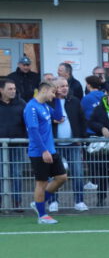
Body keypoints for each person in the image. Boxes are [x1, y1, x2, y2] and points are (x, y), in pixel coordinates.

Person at [23, 81, 66, 223]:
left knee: (62, 177)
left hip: (51, 150)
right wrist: (44, 151)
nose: (53, 95)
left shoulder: (45, 106)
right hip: (39, 152)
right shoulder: (31, 107)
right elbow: (33, 131)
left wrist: (58, 99)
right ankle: (42, 215)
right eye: (53, 92)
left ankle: (38, 203)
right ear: (44, 90)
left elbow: (59, 117)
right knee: (41, 183)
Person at [48, 77, 88, 212]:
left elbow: (82, 120)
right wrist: (52, 121)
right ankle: (53, 201)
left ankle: (79, 201)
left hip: (73, 144)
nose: (65, 88)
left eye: (66, 85)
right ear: (54, 88)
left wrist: (81, 137)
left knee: (78, 173)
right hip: (54, 145)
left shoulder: (74, 101)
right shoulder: (49, 102)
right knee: (53, 174)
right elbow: (42, 121)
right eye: (61, 86)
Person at [0, 77, 27, 209]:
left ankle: (17, 202)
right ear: (1, 90)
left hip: (17, 145)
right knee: (0, 174)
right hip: (0, 146)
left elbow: (27, 122)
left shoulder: (21, 104)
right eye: (10, 89)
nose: (13, 91)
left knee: (16, 174)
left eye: (14, 89)